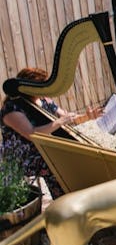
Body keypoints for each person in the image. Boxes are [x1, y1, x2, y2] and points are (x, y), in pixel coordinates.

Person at [0, 68, 100, 200]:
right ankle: (62, 200)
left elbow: (67, 117)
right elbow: (31, 134)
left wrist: (87, 116)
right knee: (55, 163)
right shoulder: (12, 109)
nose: (43, 89)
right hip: (23, 155)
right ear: (27, 87)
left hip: (45, 146)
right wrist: (59, 122)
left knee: (79, 152)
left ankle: (83, 193)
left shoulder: (44, 100)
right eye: (40, 86)